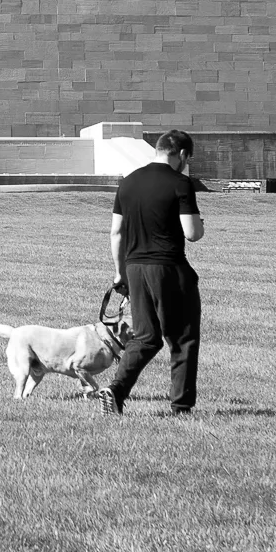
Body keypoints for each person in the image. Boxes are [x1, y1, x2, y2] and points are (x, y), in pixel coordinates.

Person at [102, 128, 204, 416]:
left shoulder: (128, 183)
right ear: (182, 154)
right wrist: (201, 224)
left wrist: (119, 274)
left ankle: (116, 390)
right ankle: (181, 407)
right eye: (188, 158)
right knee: (183, 338)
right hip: (169, 267)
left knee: (145, 337)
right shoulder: (180, 183)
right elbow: (192, 233)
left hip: (135, 269)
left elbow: (116, 232)